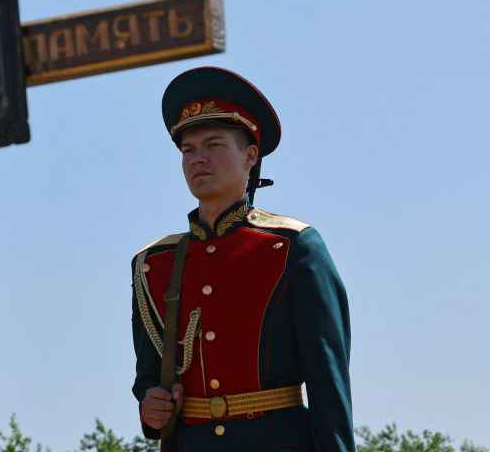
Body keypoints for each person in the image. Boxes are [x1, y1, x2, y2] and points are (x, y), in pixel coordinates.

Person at [131, 67, 354, 451]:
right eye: (188, 150)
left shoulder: (293, 247)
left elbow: (327, 386)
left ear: (251, 155)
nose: (198, 159)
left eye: (214, 145)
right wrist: (151, 407)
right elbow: (148, 380)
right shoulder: (154, 264)